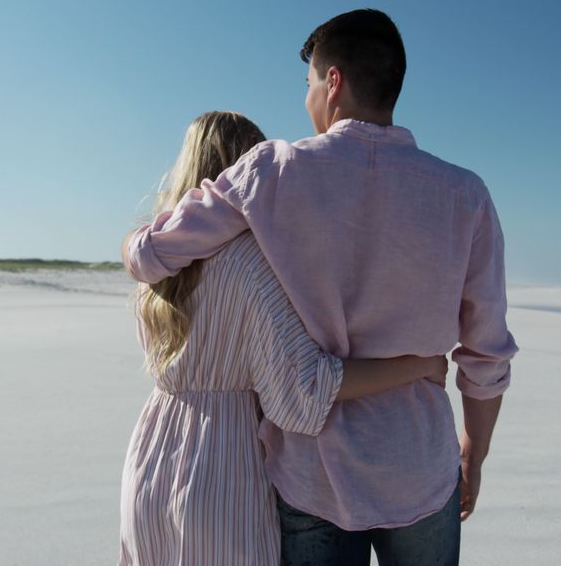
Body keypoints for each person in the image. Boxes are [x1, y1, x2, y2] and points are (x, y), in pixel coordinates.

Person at [122, 10, 519, 565]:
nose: (307, 99)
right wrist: (474, 453)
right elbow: (486, 351)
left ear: (333, 82)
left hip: (315, 472)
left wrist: (137, 244)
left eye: (309, 83)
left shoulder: (272, 171)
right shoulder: (466, 195)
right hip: (420, 464)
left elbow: (152, 253)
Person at [118, 111, 449, 565]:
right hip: (223, 465)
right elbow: (302, 392)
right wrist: (421, 365)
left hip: (154, 452)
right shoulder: (253, 266)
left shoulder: (156, 261)